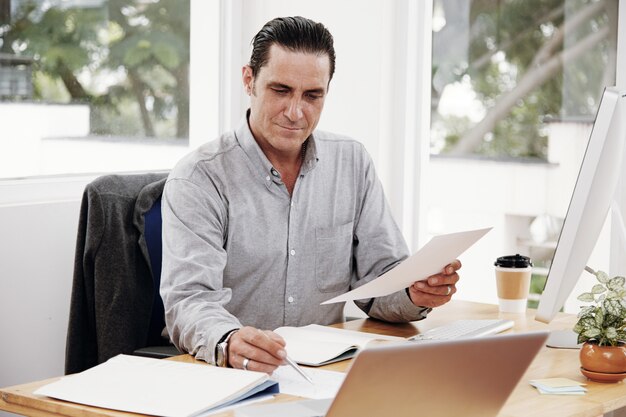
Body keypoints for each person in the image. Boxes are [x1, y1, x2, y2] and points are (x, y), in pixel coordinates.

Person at [160, 16, 461, 374]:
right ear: (249, 81)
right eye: (281, 90)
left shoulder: (351, 162)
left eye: (312, 95)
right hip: (230, 376)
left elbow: (379, 282)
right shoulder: (200, 177)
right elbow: (190, 300)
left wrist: (414, 294)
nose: (295, 112)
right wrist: (229, 339)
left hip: (324, 372)